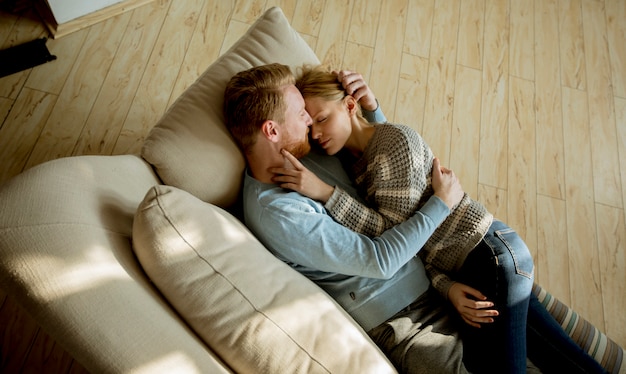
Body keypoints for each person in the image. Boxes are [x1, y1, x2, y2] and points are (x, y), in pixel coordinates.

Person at [223, 63, 606, 374]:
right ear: (271, 130)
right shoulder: (279, 213)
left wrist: (370, 111)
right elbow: (381, 257)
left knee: (564, 357)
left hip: (456, 268)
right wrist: (440, 205)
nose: (310, 120)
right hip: (407, 319)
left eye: (314, 114)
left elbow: (391, 176)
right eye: (302, 113)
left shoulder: (309, 150)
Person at [268, 64, 520, 373]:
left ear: (349, 105)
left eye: (322, 119)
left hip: (484, 253)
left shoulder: (393, 147)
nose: (316, 134)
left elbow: (396, 237)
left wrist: (325, 192)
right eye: (310, 125)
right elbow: (403, 221)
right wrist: (445, 286)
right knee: (559, 351)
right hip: (467, 261)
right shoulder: (351, 158)